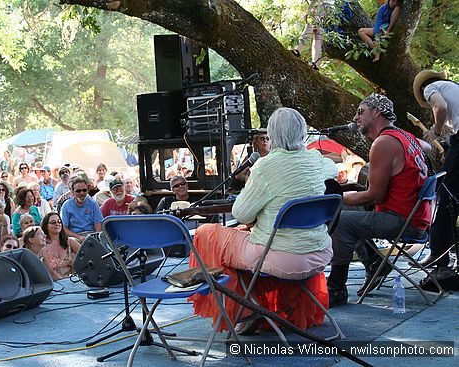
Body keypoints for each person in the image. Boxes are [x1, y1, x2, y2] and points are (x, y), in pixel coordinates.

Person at [189, 107, 337, 333]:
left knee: (206, 234)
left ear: (273, 135)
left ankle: (245, 310)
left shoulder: (265, 166)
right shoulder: (316, 159)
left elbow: (242, 214)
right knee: (241, 234)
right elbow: (332, 169)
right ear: (303, 133)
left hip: (282, 257)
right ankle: (256, 303)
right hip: (319, 253)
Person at [327, 94, 430, 307]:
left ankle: (335, 288)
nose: (356, 117)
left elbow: (375, 196)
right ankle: (375, 262)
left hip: (403, 221)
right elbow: (427, 147)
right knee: (344, 208)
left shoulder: (383, 143)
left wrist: (337, 197)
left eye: (361, 111)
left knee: (342, 223)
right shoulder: (404, 136)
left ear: (377, 112)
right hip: (417, 217)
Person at [411, 70, 459, 268]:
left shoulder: (432, 88)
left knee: (445, 194)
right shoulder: (453, 88)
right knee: (454, 196)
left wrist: (436, 132)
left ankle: (439, 254)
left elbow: (440, 106)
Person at [60, 176, 103, 242]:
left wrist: (97, 239)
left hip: (91, 235)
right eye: (78, 191)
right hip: (74, 237)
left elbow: (98, 225)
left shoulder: (93, 204)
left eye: (84, 190)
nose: (82, 193)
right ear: (72, 192)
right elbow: (64, 228)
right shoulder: (66, 205)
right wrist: (79, 237)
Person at [40, 212, 80, 280]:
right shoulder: (43, 246)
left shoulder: (70, 242)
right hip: (54, 284)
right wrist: (64, 283)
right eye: (53, 222)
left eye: (59, 222)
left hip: (73, 281)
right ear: (46, 226)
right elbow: (50, 272)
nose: (57, 224)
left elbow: (87, 254)